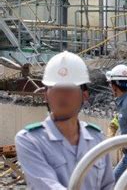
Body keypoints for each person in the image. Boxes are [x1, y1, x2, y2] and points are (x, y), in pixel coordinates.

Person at [15, 51, 114, 189]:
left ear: (84, 95)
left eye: (69, 89)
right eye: (56, 89)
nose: (62, 95)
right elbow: (47, 186)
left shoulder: (96, 138)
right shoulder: (30, 140)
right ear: (46, 95)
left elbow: (108, 185)